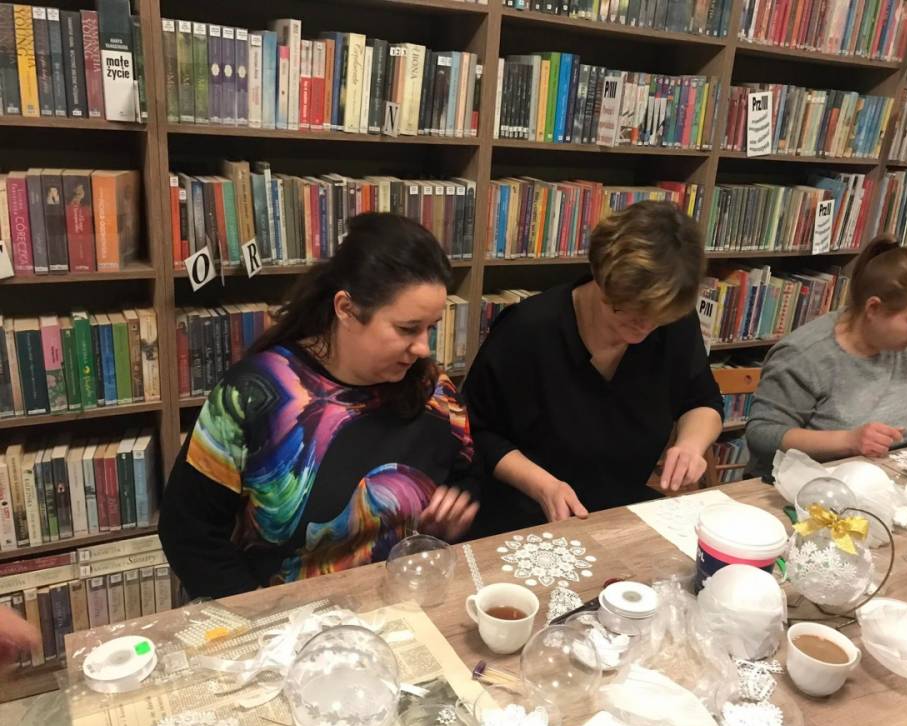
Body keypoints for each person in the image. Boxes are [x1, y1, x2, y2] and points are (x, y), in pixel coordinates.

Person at [160, 214, 479, 600]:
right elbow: (188, 534)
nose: (424, 348)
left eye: (432, 327)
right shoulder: (254, 396)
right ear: (346, 309)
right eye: (407, 328)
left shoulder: (434, 391)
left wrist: (445, 521)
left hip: (401, 603)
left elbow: (464, 474)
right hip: (283, 613)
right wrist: (258, 613)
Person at [463, 200, 724, 535]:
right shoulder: (529, 330)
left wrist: (690, 444)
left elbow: (702, 400)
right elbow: (477, 432)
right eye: (630, 310)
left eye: (657, 317)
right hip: (524, 517)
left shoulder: (673, 322)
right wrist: (544, 486)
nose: (644, 327)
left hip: (617, 514)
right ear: (602, 278)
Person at [746, 236, 907, 480]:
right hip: (814, 483)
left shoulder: (905, 342)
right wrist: (848, 441)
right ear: (874, 308)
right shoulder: (806, 355)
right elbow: (763, 435)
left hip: (896, 475)